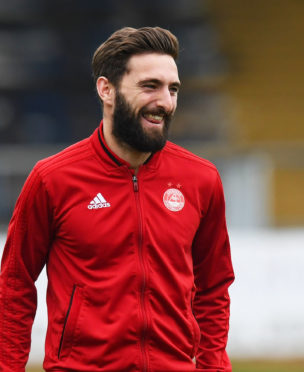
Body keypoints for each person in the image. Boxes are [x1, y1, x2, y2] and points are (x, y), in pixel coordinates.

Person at [0, 26, 235, 371]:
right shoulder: (53, 179)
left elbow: (214, 287)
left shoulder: (201, 179)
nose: (166, 102)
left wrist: (213, 367)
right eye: (149, 86)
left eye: (173, 89)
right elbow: (14, 285)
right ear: (106, 89)